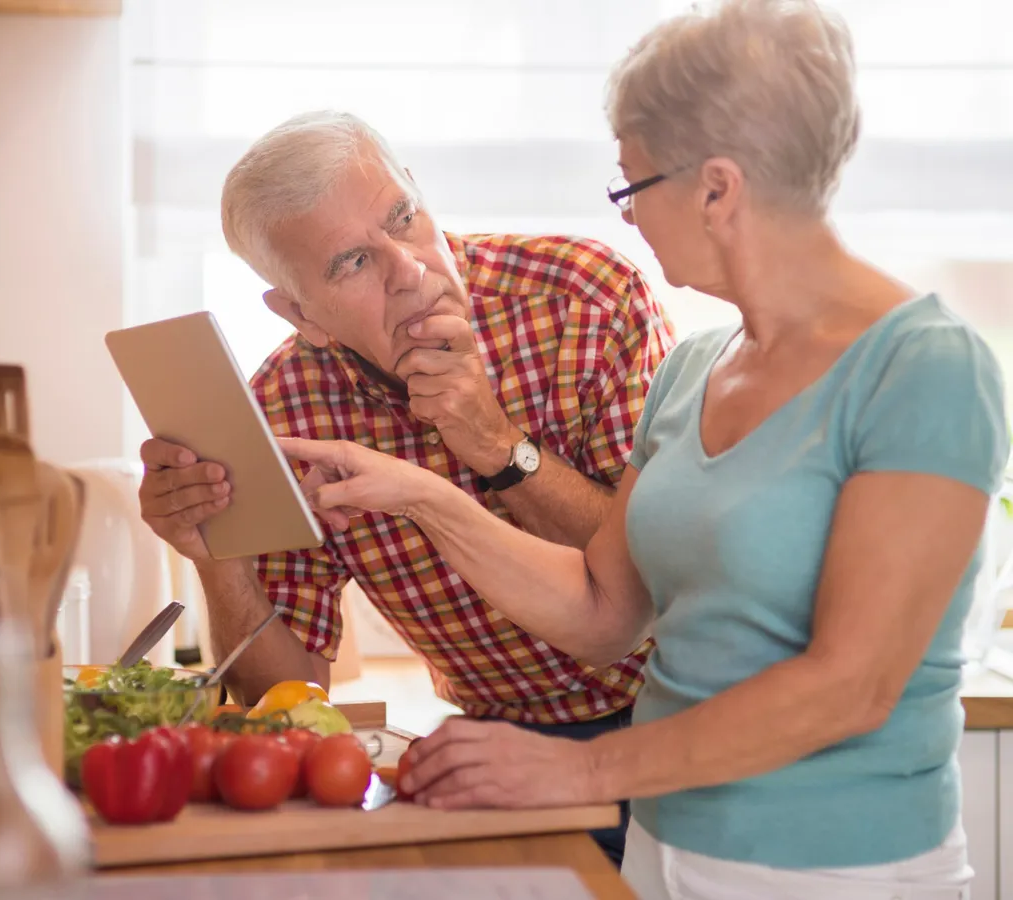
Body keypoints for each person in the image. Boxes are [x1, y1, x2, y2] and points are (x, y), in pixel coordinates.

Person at [278, 1, 1012, 897]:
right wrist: (423, 496)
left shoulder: (926, 367)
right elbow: (605, 611)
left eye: (631, 187)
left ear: (717, 188)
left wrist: (583, 775)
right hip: (670, 846)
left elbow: (849, 686)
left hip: (841, 866)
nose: (623, 219)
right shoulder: (698, 368)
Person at [136, 110, 675, 864]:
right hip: (500, 746)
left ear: (421, 191)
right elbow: (285, 698)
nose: (411, 269)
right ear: (300, 314)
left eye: (403, 218)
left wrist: (493, 442)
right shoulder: (286, 411)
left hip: (682, 716)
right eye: (352, 262)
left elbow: (659, 580)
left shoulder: (586, 297)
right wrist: (213, 555)